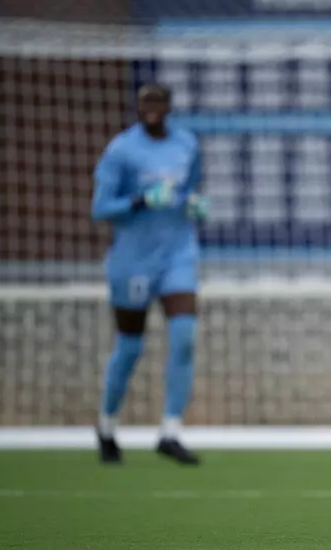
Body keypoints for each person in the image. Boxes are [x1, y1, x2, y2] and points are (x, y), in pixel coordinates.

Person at [90, 83, 208, 466]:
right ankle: (107, 426)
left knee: (184, 335)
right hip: (133, 260)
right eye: (145, 103)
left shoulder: (186, 144)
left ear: (169, 106)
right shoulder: (122, 150)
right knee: (130, 346)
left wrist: (194, 204)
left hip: (177, 253)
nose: (151, 108)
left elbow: (190, 189)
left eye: (158, 102)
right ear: (138, 108)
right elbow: (101, 208)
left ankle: (170, 431)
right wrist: (141, 200)